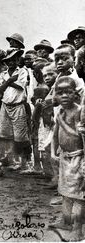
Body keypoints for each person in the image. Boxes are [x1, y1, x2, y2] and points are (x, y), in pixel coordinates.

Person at [50, 77, 85, 241]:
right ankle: (66, 221)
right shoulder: (60, 113)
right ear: (55, 96)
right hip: (64, 158)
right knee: (65, 193)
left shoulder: (79, 111)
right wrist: (53, 152)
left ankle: (78, 230)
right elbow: (55, 135)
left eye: (68, 92)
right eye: (60, 92)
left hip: (77, 158)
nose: (64, 96)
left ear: (75, 94)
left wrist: (62, 122)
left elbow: (81, 136)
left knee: (78, 196)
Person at [0, 48, 32, 171]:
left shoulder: (22, 71)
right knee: (6, 135)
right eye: (9, 60)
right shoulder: (3, 74)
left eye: (14, 59)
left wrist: (6, 83)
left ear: (17, 60)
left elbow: (20, 86)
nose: (12, 62)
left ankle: (26, 162)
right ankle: (12, 160)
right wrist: (9, 80)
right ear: (6, 62)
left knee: (21, 136)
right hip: (5, 105)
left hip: (18, 105)